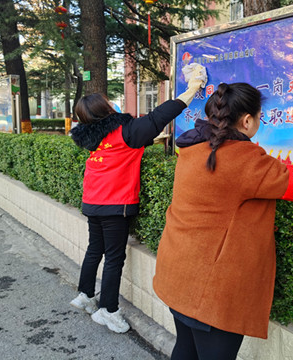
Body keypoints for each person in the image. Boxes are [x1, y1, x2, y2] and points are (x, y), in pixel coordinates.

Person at [153, 82, 293, 360]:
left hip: (178, 272)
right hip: (211, 290)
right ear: (248, 120)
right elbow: (292, 183)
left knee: (186, 348)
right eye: (260, 117)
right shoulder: (242, 158)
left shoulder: (193, 147)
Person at [69, 65, 206, 334]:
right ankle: (108, 311)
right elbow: (161, 115)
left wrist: (152, 140)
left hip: (93, 202)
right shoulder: (127, 131)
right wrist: (193, 88)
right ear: (104, 109)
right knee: (114, 258)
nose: (112, 103)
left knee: (95, 250)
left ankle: (85, 295)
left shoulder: (96, 138)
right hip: (113, 205)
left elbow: (126, 148)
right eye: (108, 102)